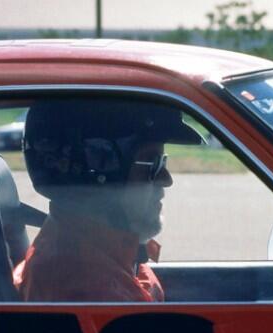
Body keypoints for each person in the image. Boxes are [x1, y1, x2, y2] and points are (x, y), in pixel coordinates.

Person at [13, 98, 203, 302]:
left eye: (163, 162)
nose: (166, 179)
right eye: (152, 164)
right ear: (97, 170)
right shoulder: (90, 289)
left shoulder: (103, 255)